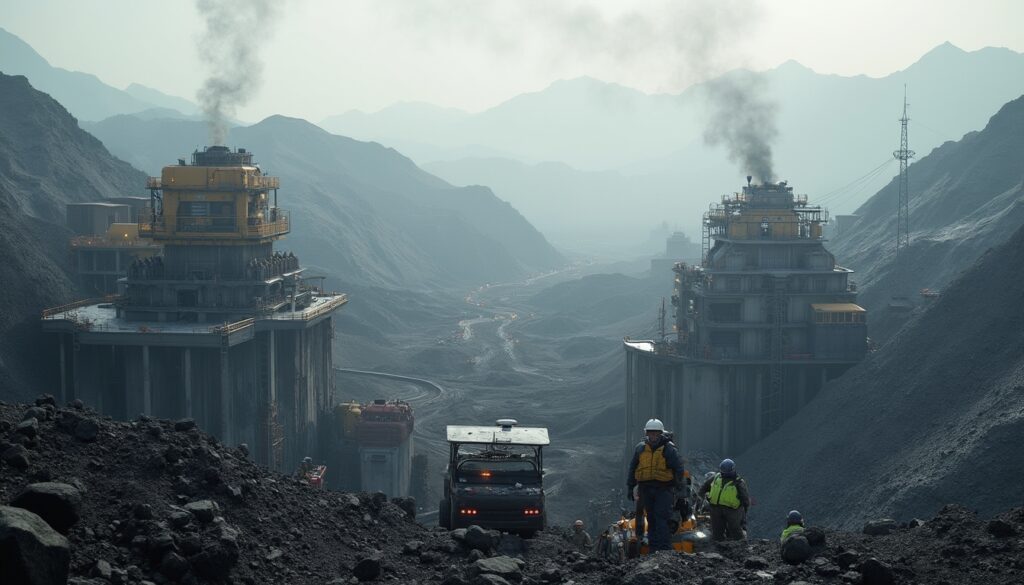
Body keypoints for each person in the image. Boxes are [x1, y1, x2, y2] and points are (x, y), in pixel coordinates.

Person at [627, 418, 684, 552]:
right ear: (646, 433)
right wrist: (630, 487)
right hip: (646, 488)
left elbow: (678, 468)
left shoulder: (669, 449)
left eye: (656, 433)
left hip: (663, 489)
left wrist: (677, 485)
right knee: (651, 519)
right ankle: (654, 549)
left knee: (662, 519)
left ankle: (664, 550)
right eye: (650, 433)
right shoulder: (640, 448)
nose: (653, 436)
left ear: (660, 433)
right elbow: (633, 468)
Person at [698, 458, 750, 541]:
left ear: (732, 470)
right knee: (717, 531)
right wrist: (700, 496)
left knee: (735, 530)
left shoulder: (739, 482)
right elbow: (704, 487)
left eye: (725, 471)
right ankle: (718, 549)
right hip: (715, 509)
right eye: (722, 471)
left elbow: (745, 499)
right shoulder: (716, 477)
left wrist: (743, 513)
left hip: (732, 511)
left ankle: (741, 547)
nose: (723, 473)